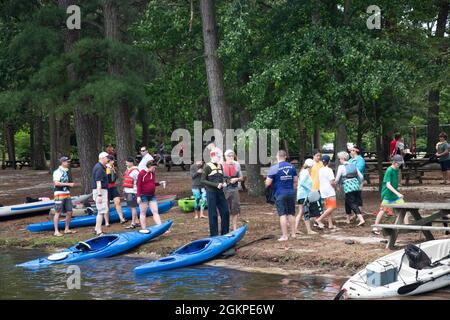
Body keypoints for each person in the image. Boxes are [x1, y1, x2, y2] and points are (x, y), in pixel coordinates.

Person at [265, 150, 298, 241]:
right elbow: (296, 180)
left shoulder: (274, 168)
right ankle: (293, 234)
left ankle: (285, 236)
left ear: (277, 156)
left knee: (282, 214)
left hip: (280, 193)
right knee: (291, 213)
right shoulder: (292, 166)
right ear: (285, 156)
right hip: (291, 193)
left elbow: (268, 183)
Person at [372, 155, 406, 235]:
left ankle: (406, 228)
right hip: (387, 194)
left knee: (404, 209)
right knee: (383, 210)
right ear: (394, 162)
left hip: (395, 195)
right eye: (398, 163)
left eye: (400, 163)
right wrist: (398, 193)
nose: (399, 165)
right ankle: (375, 227)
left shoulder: (396, 169)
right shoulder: (389, 170)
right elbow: (388, 185)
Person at [201, 150, 230, 236]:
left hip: (220, 192)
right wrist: (215, 185)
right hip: (211, 193)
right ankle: (214, 235)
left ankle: (225, 233)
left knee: (225, 212)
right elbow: (202, 180)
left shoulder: (220, 166)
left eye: (220, 156)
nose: (220, 158)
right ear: (213, 156)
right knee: (213, 214)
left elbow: (221, 178)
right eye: (218, 156)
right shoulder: (207, 166)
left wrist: (224, 182)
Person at [335, 151, 365, 226]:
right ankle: (348, 219)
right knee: (347, 202)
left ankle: (361, 219)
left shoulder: (341, 167)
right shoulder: (353, 165)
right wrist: (359, 183)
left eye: (339, 159)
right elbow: (361, 177)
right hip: (356, 185)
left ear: (342, 158)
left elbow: (337, 179)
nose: (339, 160)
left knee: (352, 203)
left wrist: (335, 184)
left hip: (348, 187)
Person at [137, 160, 166, 233]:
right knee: (143, 213)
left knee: (155, 211)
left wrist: (159, 183)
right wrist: (138, 196)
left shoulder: (153, 173)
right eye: (153, 167)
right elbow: (138, 185)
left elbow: (152, 183)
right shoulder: (142, 173)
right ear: (149, 167)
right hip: (143, 196)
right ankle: (144, 229)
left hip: (152, 196)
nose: (154, 169)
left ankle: (160, 227)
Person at [52, 156, 76, 237]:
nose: (68, 163)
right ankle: (56, 231)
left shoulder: (67, 171)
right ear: (62, 162)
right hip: (59, 193)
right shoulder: (57, 172)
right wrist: (68, 184)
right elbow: (56, 183)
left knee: (69, 211)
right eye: (67, 162)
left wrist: (70, 185)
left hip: (67, 193)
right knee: (58, 212)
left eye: (69, 162)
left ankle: (67, 229)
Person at [223, 149, 244, 231]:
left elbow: (241, 178)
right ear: (225, 157)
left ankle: (234, 228)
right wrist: (224, 182)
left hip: (234, 189)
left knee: (235, 209)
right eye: (229, 156)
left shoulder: (237, 165)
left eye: (232, 155)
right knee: (225, 209)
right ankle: (225, 227)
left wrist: (236, 179)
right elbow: (218, 178)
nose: (231, 157)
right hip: (225, 190)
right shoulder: (222, 165)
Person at [314, 155, 337, 230]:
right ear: (329, 162)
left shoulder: (320, 170)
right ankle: (319, 219)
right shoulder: (329, 170)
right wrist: (336, 187)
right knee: (332, 206)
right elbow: (332, 182)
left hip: (323, 190)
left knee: (328, 207)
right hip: (329, 190)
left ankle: (330, 224)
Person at [295, 158, 316, 235]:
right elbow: (303, 183)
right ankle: (309, 230)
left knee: (301, 212)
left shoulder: (303, 172)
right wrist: (310, 189)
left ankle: (295, 229)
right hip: (304, 195)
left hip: (301, 195)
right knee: (306, 212)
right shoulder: (305, 172)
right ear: (311, 166)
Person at [106, 155, 127, 225]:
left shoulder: (113, 168)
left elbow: (114, 178)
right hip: (106, 188)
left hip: (113, 187)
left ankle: (121, 218)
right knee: (107, 204)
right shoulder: (105, 167)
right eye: (113, 161)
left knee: (117, 202)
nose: (113, 162)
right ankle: (107, 221)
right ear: (110, 161)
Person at [93, 152, 110, 236]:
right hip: (100, 191)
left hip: (102, 190)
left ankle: (97, 228)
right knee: (101, 211)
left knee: (101, 210)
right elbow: (98, 182)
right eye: (107, 157)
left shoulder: (102, 167)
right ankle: (99, 231)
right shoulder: (99, 168)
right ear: (102, 158)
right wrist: (99, 195)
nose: (108, 159)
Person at [123, 157, 140, 228]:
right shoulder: (127, 170)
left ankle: (133, 223)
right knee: (132, 207)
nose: (126, 163)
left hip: (132, 192)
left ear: (131, 163)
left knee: (133, 207)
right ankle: (137, 222)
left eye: (127, 162)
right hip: (127, 191)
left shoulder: (135, 171)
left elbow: (139, 182)